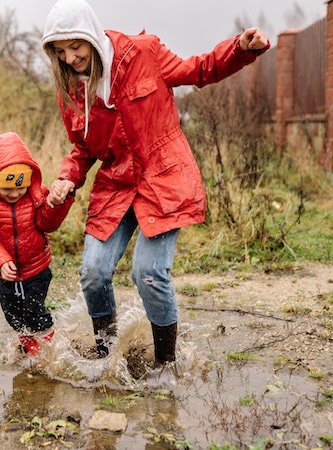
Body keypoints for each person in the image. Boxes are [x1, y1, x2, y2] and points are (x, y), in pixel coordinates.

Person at [42, 0, 270, 366]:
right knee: (93, 272)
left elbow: (198, 70)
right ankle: (106, 357)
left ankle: (165, 366)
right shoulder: (71, 88)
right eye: (60, 51)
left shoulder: (142, 53)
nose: (70, 58)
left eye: (76, 46)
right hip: (117, 183)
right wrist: (66, 178)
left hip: (162, 177)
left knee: (148, 272)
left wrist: (239, 49)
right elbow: (82, 147)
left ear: (91, 35)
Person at [0, 131, 75, 356]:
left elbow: (47, 224)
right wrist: (0, 260)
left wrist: (57, 205)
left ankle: (49, 347)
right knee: (13, 315)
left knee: (34, 311)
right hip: (5, 274)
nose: (15, 193)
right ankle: (28, 344)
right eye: (7, 188)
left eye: (20, 187)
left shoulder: (36, 196)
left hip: (36, 269)